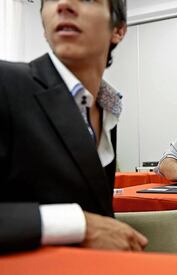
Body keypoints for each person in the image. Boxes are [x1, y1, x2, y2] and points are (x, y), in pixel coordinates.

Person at [0, 0, 147, 252]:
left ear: (118, 29)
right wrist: (78, 224)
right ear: (44, 27)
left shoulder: (108, 108)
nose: (64, 4)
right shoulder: (5, 84)